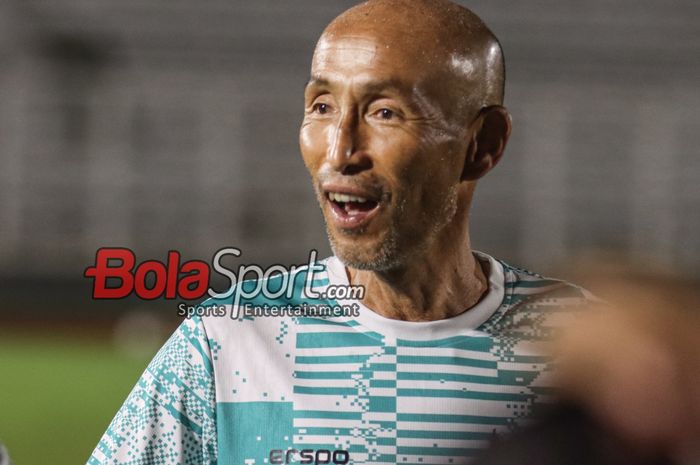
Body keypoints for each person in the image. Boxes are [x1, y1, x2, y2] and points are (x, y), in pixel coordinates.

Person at [87, 1, 595, 464]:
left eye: (385, 112)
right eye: (322, 107)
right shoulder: (228, 338)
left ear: (482, 144)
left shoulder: (596, 357)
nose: (338, 153)